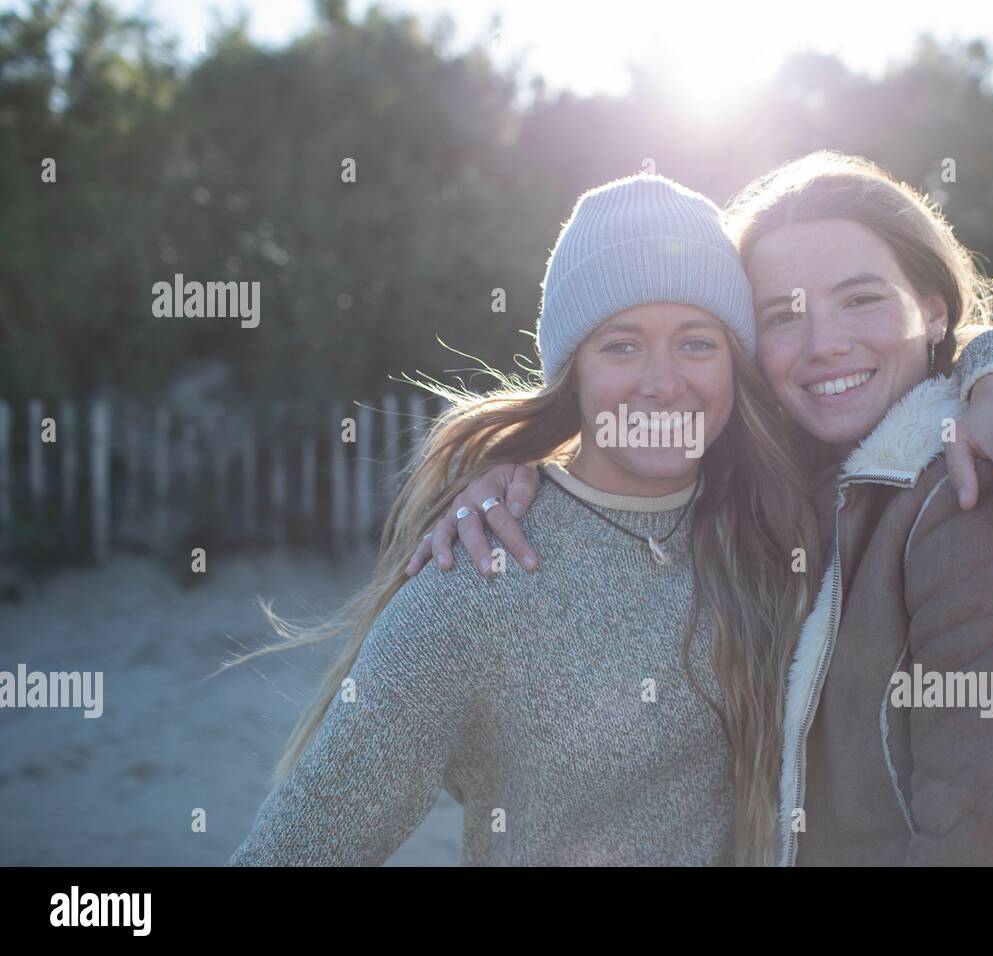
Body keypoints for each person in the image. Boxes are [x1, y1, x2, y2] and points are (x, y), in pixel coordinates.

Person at [227, 173, 822, 865]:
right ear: (571, 372)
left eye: (697, 342)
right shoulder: (478, 571)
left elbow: (917, 366)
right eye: (621, 345)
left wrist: (987, 368)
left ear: (735, 365)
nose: (663, 381)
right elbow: (295, 848)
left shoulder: (784, 528)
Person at [726, 151, 993, 865]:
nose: (825, 344)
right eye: (783, 315)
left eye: (861, 299)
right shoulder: (789, 485)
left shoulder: (986, 492)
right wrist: (503, 469)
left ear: (932, 311)